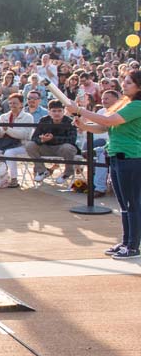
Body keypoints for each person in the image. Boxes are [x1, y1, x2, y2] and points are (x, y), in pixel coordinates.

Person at [67, 70, 141, 258]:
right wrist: (85, 126)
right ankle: (126, 242)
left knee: (132, 203)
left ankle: (133, 246)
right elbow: (106, 126)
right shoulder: (126, 103)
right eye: (124, 81)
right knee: (123, 203)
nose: (124, 85)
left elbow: (108, 120)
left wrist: (80, 110)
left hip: (131, 157)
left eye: (129, 82)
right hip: (116, 155)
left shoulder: (138, 105)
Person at [25, 100, 78, 183]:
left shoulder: (70, 122)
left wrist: (53, 138)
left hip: (62, 149)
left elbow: (71, 140)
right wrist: (42, 139)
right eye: (54, 111)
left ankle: (67, 173)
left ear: (64, 111)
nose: (57, 113)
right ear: (49, 111)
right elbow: (34, 138)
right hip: (46, 147)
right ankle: (42, 171)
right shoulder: (43, 120)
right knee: (30, 145)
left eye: (59, 111)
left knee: (68, 147)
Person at [0, 93, 33, 188]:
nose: (12, 105)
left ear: (21, 104)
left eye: (15, 103)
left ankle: (14, 179)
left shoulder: (28, 117)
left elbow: (24, 134)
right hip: (3, 144)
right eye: (10, 103)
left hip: (21, 145)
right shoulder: (3, 117)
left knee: (9, 153)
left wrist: (7, 129)